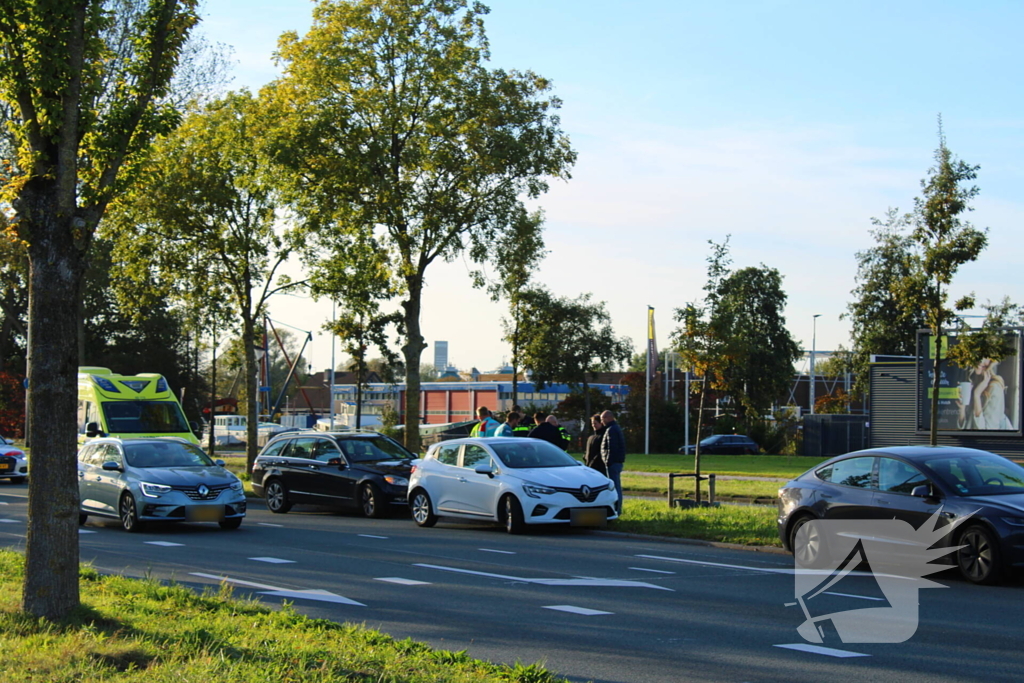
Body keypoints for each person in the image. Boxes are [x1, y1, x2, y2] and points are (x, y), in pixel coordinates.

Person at [957, 358, 1015, 430]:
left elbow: (988, 430)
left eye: (986, 357)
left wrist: (977, 395)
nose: (981, 360)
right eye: (978, 355)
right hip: (970, 439)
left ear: (992, 361)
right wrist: (962, 409)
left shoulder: (994, 387)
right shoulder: (972, 383)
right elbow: (965, 428)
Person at [600, 410, 625, 514]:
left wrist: (607, 461)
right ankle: (616, 509)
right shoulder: (615, 428)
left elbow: (611, 447)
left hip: (613, 463)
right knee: (616, 486)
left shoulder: (611, 430)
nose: (602, 421)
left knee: (615, 487)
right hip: (616, 461)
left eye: (602, 419)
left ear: (608, 418)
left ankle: (616, 510)